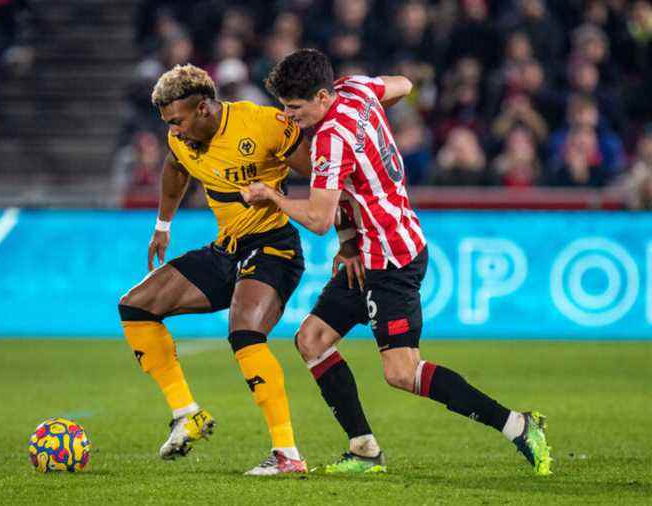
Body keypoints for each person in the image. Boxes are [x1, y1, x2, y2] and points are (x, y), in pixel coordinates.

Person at [244, 48, 552, 476]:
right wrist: (349, 240)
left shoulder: (330, 140)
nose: (288, 117)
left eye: (295, 109)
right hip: (369, 251)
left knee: (402, 372)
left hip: (390, 259)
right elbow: (404, 84)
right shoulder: (355, 89)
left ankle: (518, 425)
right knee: (312, 339)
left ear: (321, 97)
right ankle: (364, 449)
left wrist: (272, 196)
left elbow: (316, 217)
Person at [117, 64, 311, 475]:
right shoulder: (180, 137)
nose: (175, 131)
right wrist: (162, 225)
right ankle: (187, 413)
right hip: (227, 250)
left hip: (275, 245)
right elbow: (175, 167)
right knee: (136, 306)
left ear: (204, 108)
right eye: (169, 123)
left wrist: (349, 237)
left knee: (244, 332)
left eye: (179, 121)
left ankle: (287, 455)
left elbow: (323, 172)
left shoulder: (262, 124)